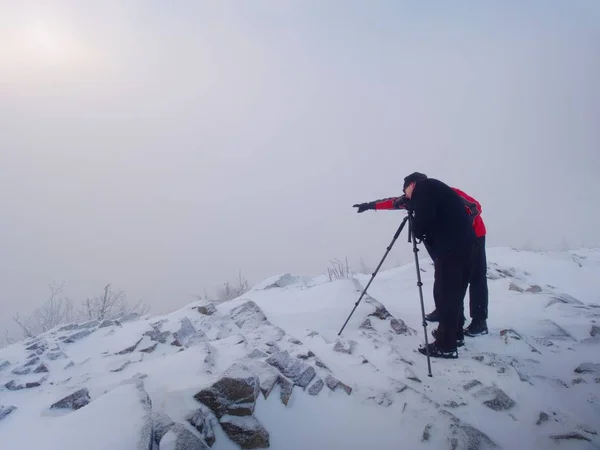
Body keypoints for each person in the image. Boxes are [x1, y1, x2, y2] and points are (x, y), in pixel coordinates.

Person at [353, 172, 475, 358]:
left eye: (406, 191)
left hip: (452, 249)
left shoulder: (424, 188)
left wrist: (417, 228)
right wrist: (369, 206)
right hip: (464, 246)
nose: (406, 196)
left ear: (411, 184)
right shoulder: (435, 191)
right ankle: (454, 334)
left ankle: (446, 346)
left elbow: (423, 220)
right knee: (452, 293)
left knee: (446, 294)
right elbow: (394, 202)